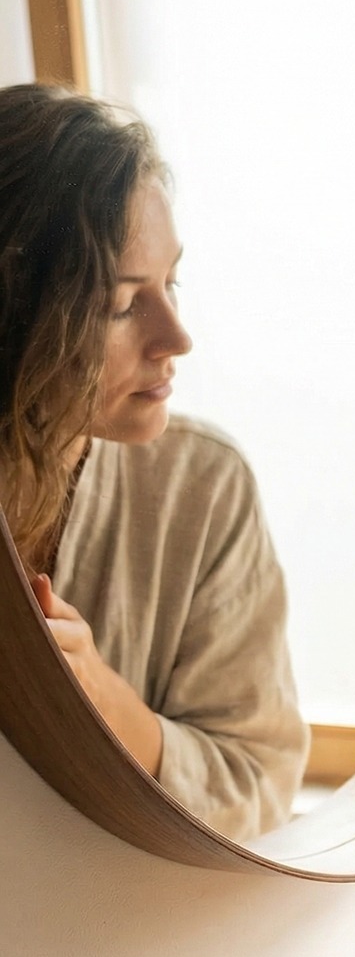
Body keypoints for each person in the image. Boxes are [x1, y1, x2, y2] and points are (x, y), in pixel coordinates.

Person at [0, 84, 308, 839]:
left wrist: (103, 703)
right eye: (122, 302)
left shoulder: (201, 489)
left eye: (171, 284)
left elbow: (259, 784)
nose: (177, 336)